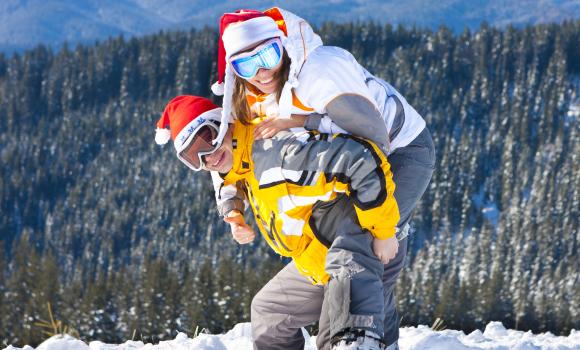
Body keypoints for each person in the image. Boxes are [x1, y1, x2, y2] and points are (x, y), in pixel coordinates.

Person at [204, 7, 436, 350]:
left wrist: (300, 122)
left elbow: (374, 140)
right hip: (353, 163)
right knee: (343, 257)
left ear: (282, 44)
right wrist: (231, 206)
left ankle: (355, 340)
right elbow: (229, 152)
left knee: (358, 239)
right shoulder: (251, 95)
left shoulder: (320, 71)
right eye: (245, 65)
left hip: (403, 151)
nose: (261, 71)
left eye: (267, 55)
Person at [155, 95, 402, 350]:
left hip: (362, 248)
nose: (208, 156)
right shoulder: (238, 158)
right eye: (194, 157)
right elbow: (226, 179)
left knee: (337, 338)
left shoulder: (277, 154)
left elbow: (360, 161)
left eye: (208, 138)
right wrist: (233, 213)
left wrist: (384, 232)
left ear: (223, 122)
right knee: (268, 313)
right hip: (317, 259)